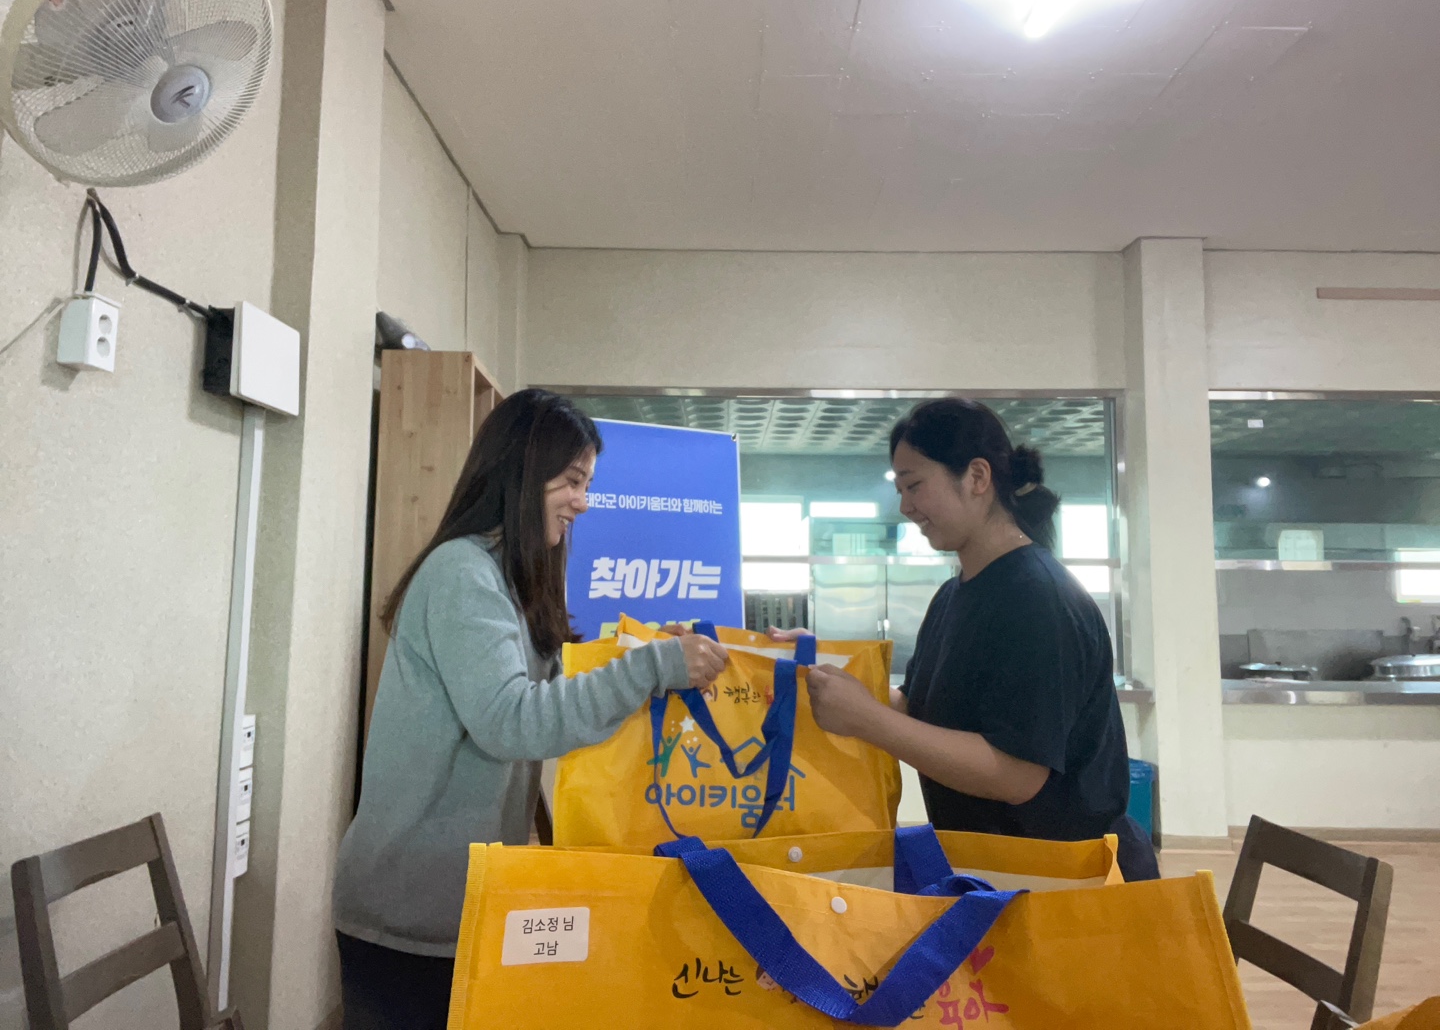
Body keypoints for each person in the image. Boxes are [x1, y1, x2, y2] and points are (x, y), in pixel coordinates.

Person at [332, 389, 727, 1030]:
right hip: (409, 917)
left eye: (587, 483)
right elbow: (513, 720)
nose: (583, 502)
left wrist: (654, 657)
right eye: (572, 480)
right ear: (521, 471)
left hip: (464, 903)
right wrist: (655, 667)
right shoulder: (461, 573)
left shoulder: (509, 578)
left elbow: (554, 701)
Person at [787, 397, 1159, 882]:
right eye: (900, 490)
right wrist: (817, 667)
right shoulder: (954, 595)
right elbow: (919, 709)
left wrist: (866, 720)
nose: (905, 507)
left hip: (1065, 883)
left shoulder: (1037, 599)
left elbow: (1017, 775)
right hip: (991, 872)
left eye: (915, 485)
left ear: (977, 477)